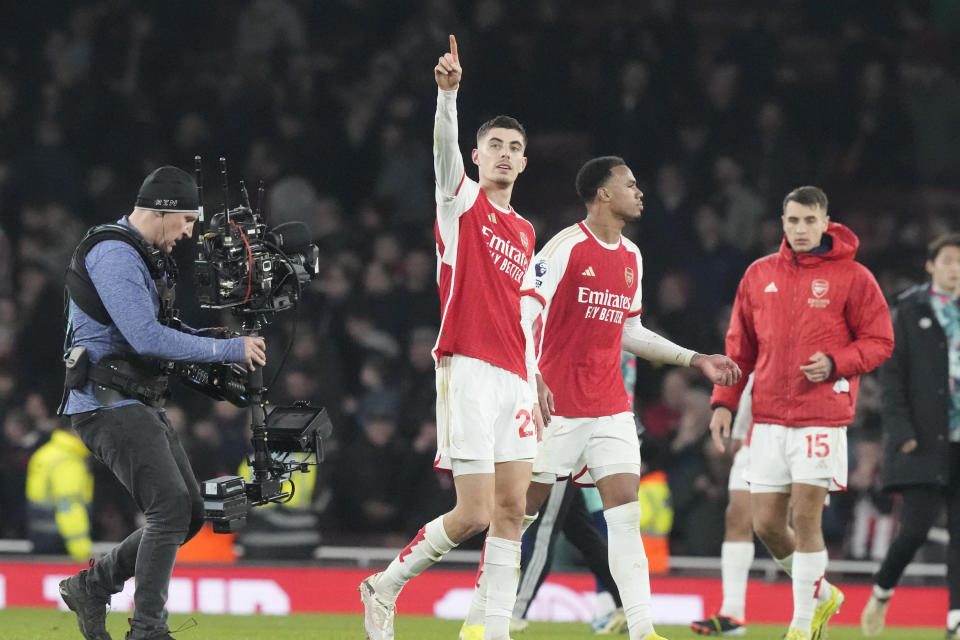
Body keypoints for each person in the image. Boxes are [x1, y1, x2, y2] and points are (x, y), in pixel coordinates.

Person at [461, 156, 741, 640]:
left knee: (625, 516)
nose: (640, 191)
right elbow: (522, 314)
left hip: (610, 407)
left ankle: (643, 630)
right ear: (603, 193)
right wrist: (532, 380)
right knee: (517, 515)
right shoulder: (564, 248)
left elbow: (630, 331)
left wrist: (696, 359)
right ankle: (482, 617)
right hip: (557, 409)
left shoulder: (631, 256)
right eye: (630, 184)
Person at [359, 34, 543, 640]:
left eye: (515, 148)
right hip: (466, 367)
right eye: (495, 145)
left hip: (515, 378)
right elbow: (443, 158)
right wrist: (448, 97)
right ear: (477, 154)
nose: (506, 155)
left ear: (524, 161)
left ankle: (493, 632)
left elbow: (521, 313)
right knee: (473, 513)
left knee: (514, 512)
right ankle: (383, 586)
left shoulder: (524, 230)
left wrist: (536, 376)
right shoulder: (459, 204)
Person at [56, 165, 267, 640]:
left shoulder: (142, 255)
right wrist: (227, 349)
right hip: (105, 403)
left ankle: (93, 586)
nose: (191, 233)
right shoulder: (113, 253)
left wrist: (215, 337)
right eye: (189, 221)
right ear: (162, 212)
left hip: (135, 401)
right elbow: (146, 337)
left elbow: (162, 332)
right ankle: (149, 629)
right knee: (170, 507)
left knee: (189, 512)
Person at [709, 185, 894, 640]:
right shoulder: (758, 274)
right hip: (768, 419)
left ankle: (802, 624)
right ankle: (823, 592)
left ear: (826, 223)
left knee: (806, 521)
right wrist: (724, 402)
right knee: (767, 523)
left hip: (821, 417)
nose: (801, 229)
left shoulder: (854, 277)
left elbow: (880, 341)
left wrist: (836, 363)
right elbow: (740, 349)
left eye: (810, 220)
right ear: (782, 223)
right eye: (792, 220)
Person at [861, 232, 960, 638]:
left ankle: (955, 619)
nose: (956, 268)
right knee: (915, 530)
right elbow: (892, 377)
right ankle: (882, 592)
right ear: (931, 265)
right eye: (949, 260)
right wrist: (900, 430)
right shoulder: (907, 310)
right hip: (922, 438)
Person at [691, 374, 755, 636]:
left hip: (801, 430)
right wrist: (740, 429)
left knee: (779, 527)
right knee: (737, 517)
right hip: (756, 436)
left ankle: (818, 600)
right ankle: (732, 613)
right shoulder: (757, 332)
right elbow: (756, 374)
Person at [25, 423, 93, 561]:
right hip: (62, 545)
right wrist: (81, 551)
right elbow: (69, 506)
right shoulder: (67, 460)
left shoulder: (45, 453)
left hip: (40, 537)